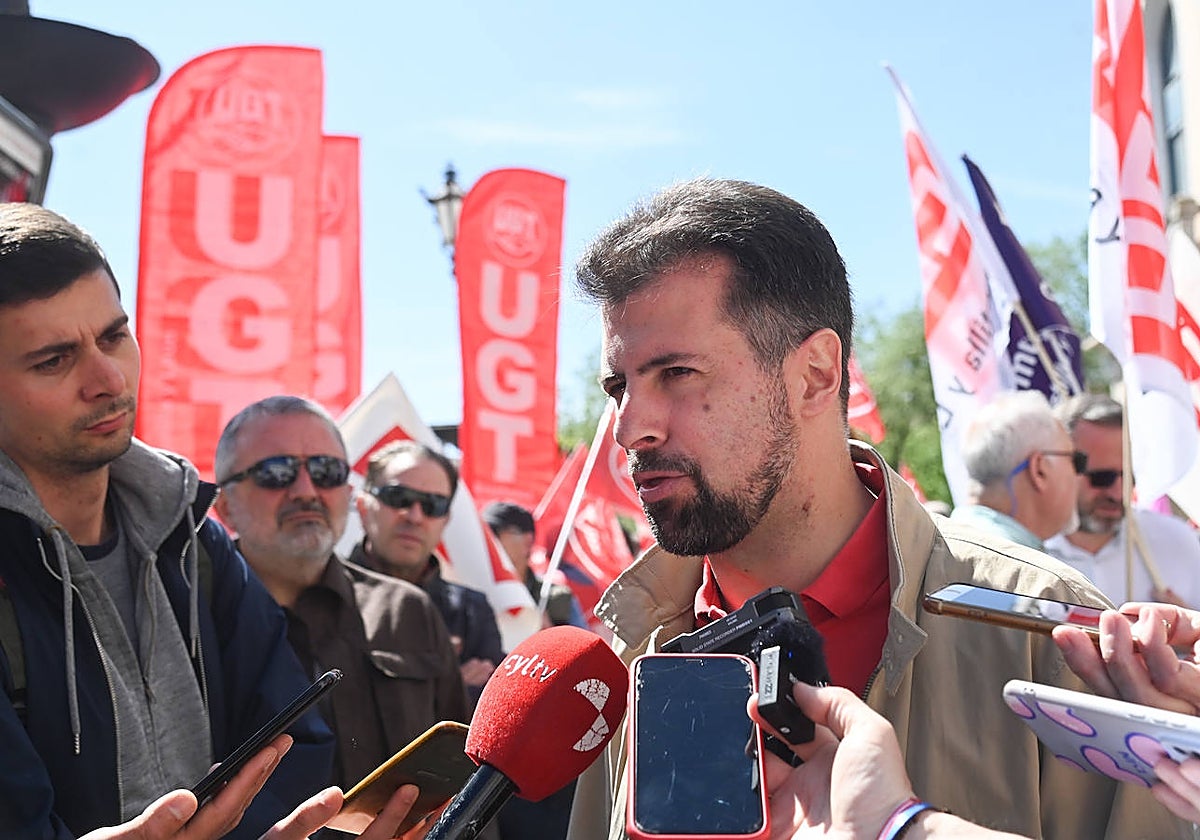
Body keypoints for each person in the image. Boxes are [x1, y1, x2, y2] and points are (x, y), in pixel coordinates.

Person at [563, 179, 1187, 839]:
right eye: (617, 385)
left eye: (676, 374)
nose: (630, 430)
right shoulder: (630, 656)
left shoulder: (1042, 637)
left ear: (815, 375)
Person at [0, 203, 332, 838]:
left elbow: (295, 740)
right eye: (53, 360)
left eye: (114, 336)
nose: (107, 378)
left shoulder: (194, 537)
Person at [213, 396, 469, 790]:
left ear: (348, 492)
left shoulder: (406, 611)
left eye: (326, 470)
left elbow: (463, 780)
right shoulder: (193, 624)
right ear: (224, 506)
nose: (305, 490)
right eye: (277, 472)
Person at [348, 440, 504, 710]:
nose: (415, 516)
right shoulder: (320, 596)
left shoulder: (472, 611)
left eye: (434, 505)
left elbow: (489, 716)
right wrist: (453, 682)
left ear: (445, 520)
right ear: (363, 507)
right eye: (399, 498)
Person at [1045, 394, 1200, 608]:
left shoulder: (1180, 542)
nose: (1118, 493)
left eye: (1129, 478)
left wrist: (1190, 635)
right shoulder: (1021, 552)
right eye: (1102, 477)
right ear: (1059, 467)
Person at [950, 390, 1084, 550]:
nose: (1079, 475)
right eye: (1075, 460)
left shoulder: (932, 547)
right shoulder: (1022, 570)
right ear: (1039, 470)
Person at [482, 500, 587, 630]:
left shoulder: (556, 600)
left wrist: (549, 637)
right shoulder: (474, 593)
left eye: (495, 533)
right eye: (485, 535)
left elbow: (586, 648)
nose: (490, 541)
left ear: (528, 540)